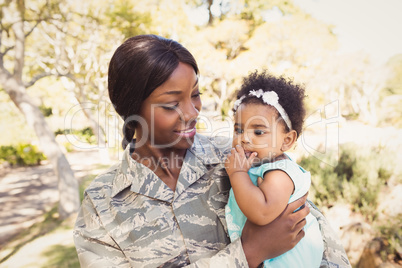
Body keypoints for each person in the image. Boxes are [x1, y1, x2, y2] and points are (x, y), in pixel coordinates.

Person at [73, 34, 351, 268]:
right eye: (171, 104)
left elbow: (321, 243)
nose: (192, 112)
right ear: (131, 110)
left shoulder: (240, 156)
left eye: (195, 94)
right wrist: (249, 252)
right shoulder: (100, 206)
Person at [225, 71, 324, 267]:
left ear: (287, 140)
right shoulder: (263, 166)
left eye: (258, 132)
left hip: (287, 259)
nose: (244, 138)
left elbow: (262, 213)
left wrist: (237, 174)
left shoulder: (280, 174)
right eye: (238, 130)